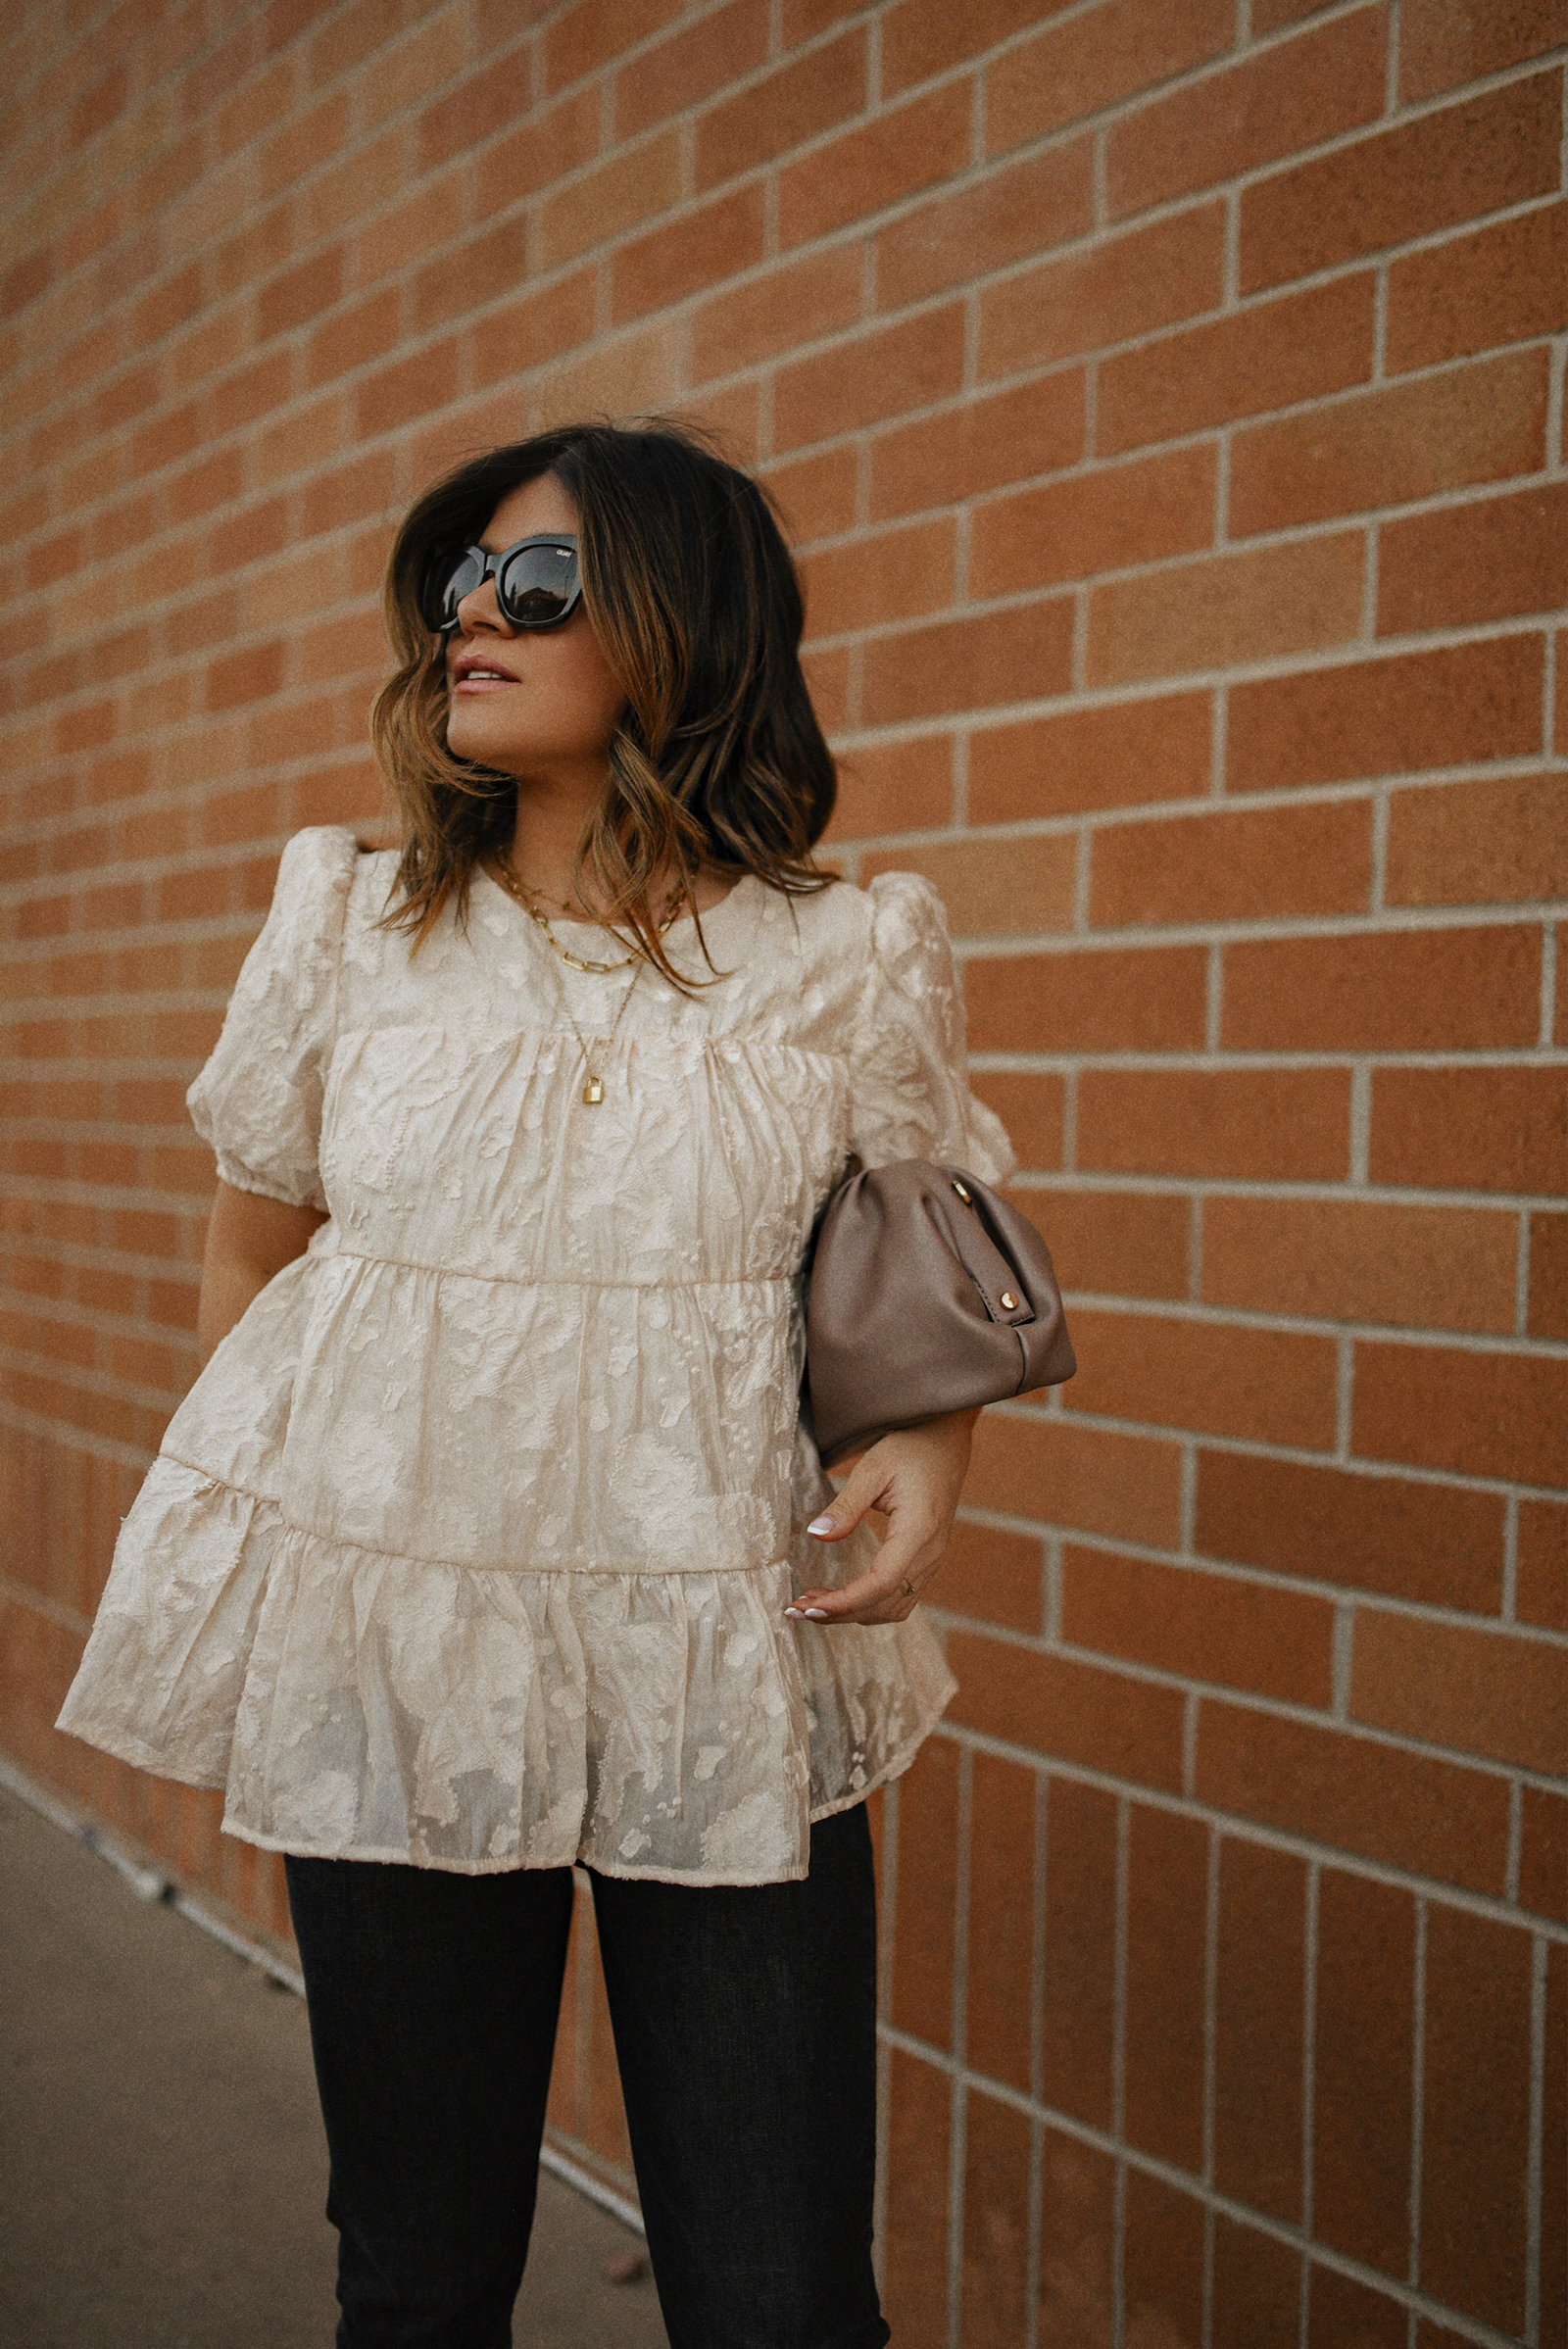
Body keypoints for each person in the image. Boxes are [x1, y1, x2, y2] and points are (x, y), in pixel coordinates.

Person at [58, 419, 1015, 2348]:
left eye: (540, 581)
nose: (475, 617)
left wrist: (928, 1442)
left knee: (778, 2293)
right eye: (458, 584)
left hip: (728, 1645)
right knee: (416, 2276)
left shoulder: (844, 948)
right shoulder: (349, 918)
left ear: (683, 621)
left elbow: (920, 1247)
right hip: (403, 1635)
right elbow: (257, 1247)